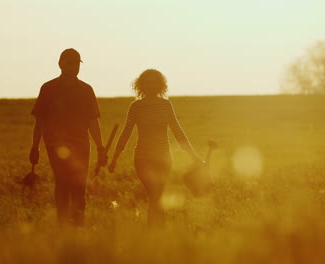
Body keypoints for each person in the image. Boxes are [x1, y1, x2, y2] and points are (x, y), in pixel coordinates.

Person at [108, 69, 203, 227]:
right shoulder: (136, 107)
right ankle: (155, 231)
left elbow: (177, 131)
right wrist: (114, 159)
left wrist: (193, 155)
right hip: (143, 159)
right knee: (154, 194)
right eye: (147, 82)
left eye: (154, 81)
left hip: (164, 159)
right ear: (142, 85)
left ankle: (157, 233)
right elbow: (125, 133)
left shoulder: (166, 105)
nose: (151, 85)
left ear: (160, 84)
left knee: (158, 196)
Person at [29, 48, 107, 226]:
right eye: (69, 62)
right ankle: (63, 224)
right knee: (63, 182)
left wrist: (100, 147)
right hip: (55, 145)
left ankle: (78, 224)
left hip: (81, 144)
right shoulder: (48, 88)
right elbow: (39, 120)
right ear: (60, 64)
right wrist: (35, 147)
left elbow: (92, 121)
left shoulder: (86, 90)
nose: (74, 67)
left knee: (79, 185)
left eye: (76, 63)